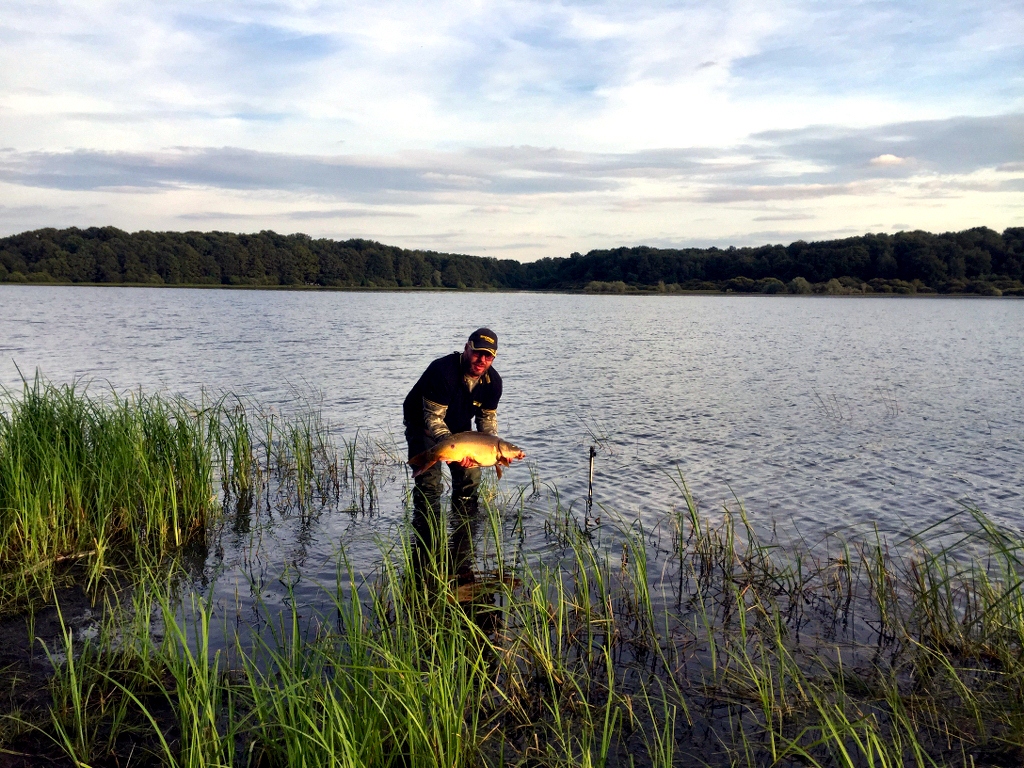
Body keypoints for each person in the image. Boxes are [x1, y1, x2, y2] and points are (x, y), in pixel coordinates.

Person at [403, 328, 503, 582]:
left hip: (459, 428)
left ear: (493, 358)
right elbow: (433, 419)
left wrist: (490, 450)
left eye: (488, 357)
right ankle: (427, 538)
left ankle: (463, 524)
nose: (482, 360)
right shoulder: (443, 371)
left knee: (471, 476)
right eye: (478, 353)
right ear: (467, 347)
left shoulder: (493, 383)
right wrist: (456, 451)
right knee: (429, 483)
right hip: (424, 424)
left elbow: (487, 421)